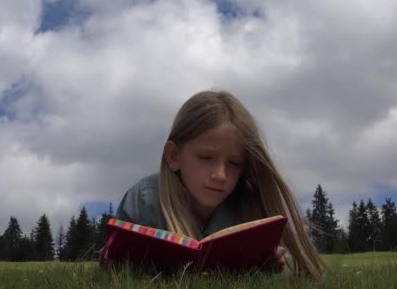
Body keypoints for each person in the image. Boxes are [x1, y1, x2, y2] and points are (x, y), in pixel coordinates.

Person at [116, 90, 325, 277]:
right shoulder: (144, 201)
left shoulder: (250, 206)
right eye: (206, 157)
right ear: (173, 156)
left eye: (234, 163)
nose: (220, 175)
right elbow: (115, 266)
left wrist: (267, 263)